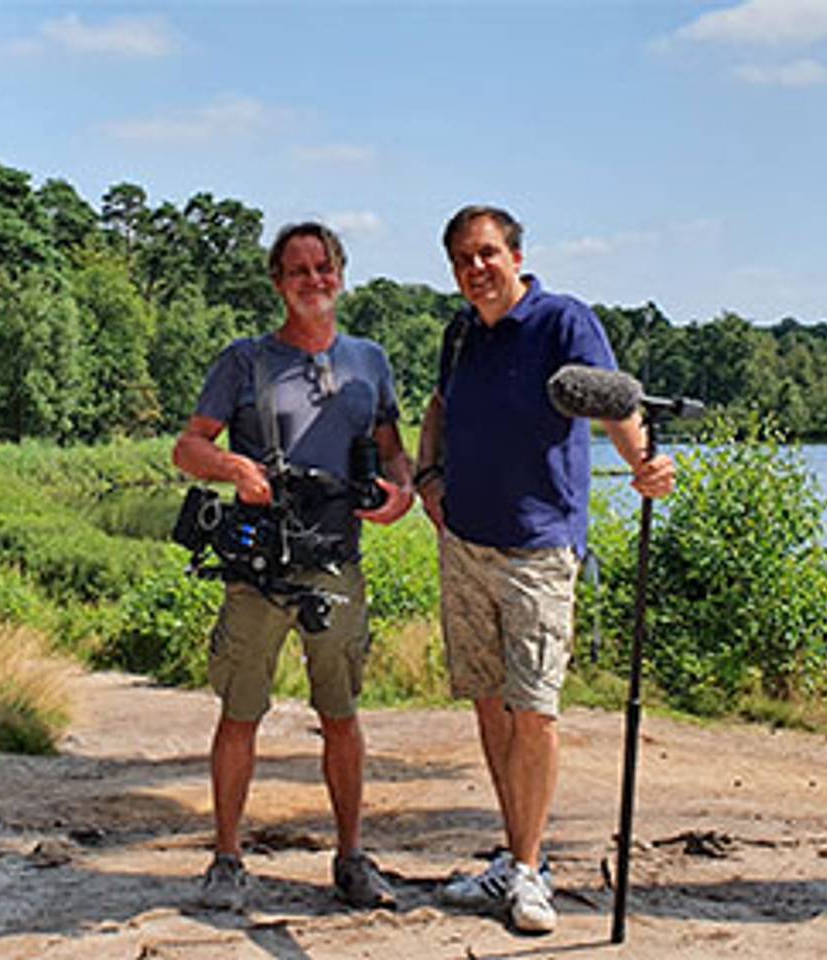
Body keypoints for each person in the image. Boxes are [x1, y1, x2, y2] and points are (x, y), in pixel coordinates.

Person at [414, 205, 675, 934]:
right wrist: (430, 478)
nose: (475, 269)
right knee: (490, 703)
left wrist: (644, 464)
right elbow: (439, 406)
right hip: (463, 541)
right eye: (462, 258)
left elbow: (615, 400)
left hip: (538, 549)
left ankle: (530, 874)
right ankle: (516, 856)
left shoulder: (565, 321)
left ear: (518, 256)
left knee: (534, 709)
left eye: (488, 254)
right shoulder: (460, 332)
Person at [173, 221, 415, 911]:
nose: (313, 280)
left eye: (324, 267)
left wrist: (397, 494)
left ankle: (352, 858)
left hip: (337, 560)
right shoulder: (243, 361)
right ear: (278, 283)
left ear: (341, 274)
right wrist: (232, 467)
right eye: (298, 270)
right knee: (240, 712)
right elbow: (187, 448)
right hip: (258, 569)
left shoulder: (371, 360)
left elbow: (393, 450)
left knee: (341, 713)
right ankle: (226, 859)